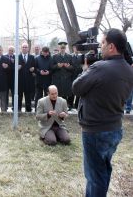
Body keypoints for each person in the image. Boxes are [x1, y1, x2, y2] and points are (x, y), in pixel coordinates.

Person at [72, 28, 133, 197]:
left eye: (103, 43)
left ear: (112, 46)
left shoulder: (100, 68)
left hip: (96, 131)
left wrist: (86, 69)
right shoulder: (129, 70)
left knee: (94, 177)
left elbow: (76, 88)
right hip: (114, 128)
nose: (100, 47)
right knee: (104, 170)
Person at [51, 41, 74, 110]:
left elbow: (73, 68)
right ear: (59, 48)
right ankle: (56, 107)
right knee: (58, 94)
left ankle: (65, 107)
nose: (62, 49)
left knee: (66, 94)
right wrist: (57, 66)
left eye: (63, 48)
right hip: (58, 79)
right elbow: (51, 67)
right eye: (61, 48)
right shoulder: (54, 57)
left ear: (65, 48)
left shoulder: (69, 56)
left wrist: (68, 67)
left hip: (66, 79)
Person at [18, 42, 35, 112]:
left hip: (29, 80)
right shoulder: (17, 57)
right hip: (20, 80)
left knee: (28, 96)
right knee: (19, 95)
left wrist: (33, 69)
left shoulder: (32, 57)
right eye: (23, 47)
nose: (24, 48)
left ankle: (28, 109)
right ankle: (18, 109)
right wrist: (17, 68)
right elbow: (13, 68)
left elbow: (35, 67)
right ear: (21, 48)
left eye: (26, 47)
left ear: (28, 48)